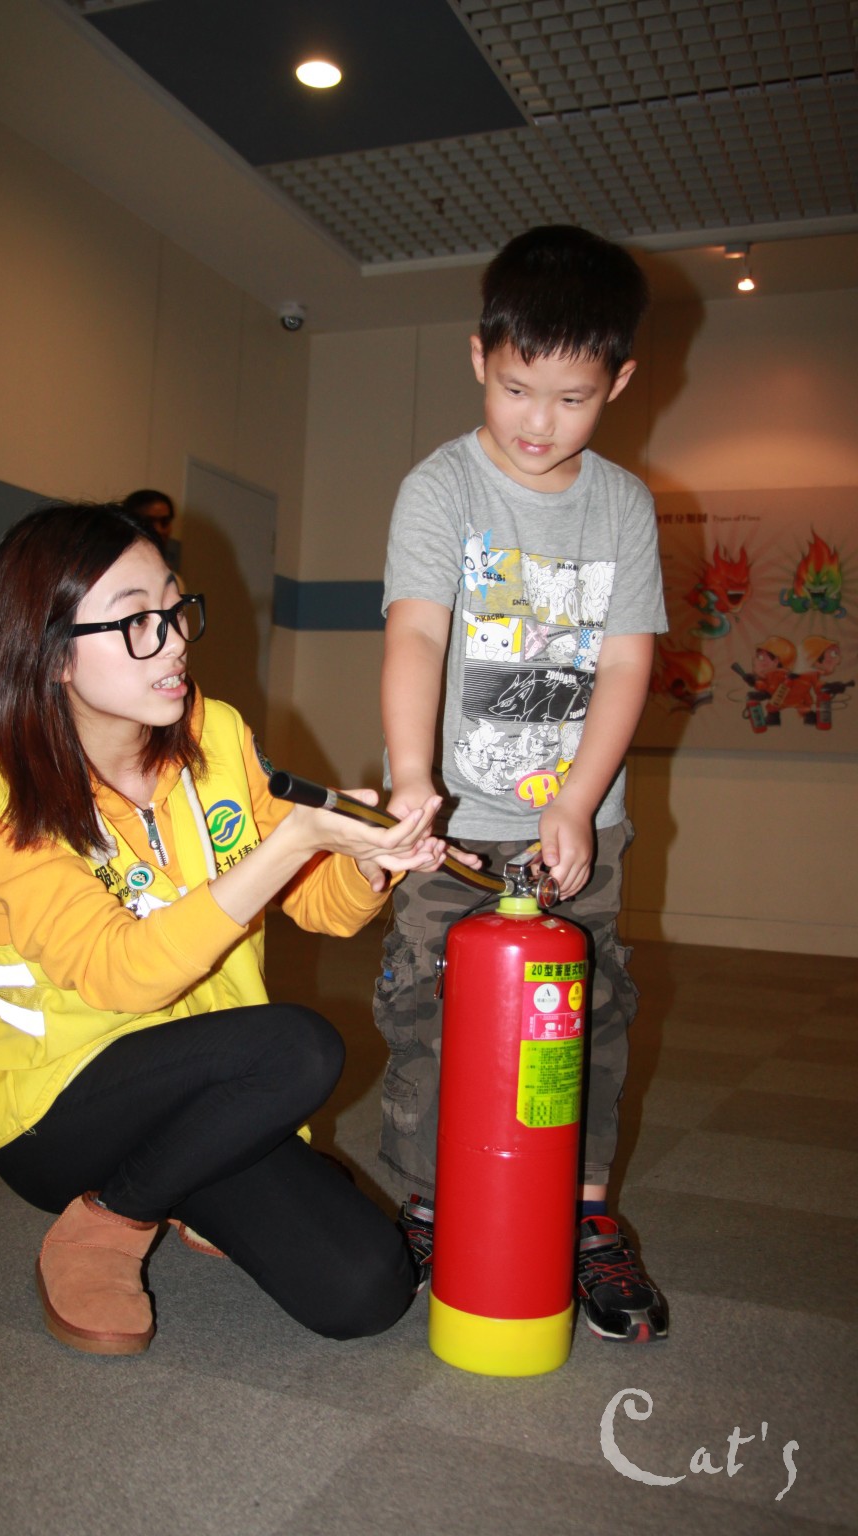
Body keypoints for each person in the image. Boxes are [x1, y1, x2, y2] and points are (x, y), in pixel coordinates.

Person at [0, 501, 450, 1356]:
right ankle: (109, 1220)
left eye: (174, 609)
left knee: (368, 1289)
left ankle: (184, 1179)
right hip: (59, 1109)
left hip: (216, 1089)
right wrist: (291, 843)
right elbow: (122, 974)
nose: (172, 642)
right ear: (51, 652)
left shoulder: (214, 733)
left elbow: (318, 904)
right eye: (136, 621)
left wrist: (367, 859)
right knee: (298, 1048)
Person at [375, 225, 670, 1343]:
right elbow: (415, 635)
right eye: (515, 389)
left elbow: (627, 664)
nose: (539, 422)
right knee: (428, 1011)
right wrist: (413, 778)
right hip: (454, 833)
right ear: (478, 357)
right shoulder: (441, 488)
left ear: (618, 383)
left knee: (580, 1020)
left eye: (573, 398)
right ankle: (429, 1203)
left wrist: (577, 801)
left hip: (572, 829)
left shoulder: (623, 506)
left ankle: (584, 1213)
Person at [123, 487, 177, 556]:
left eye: (165, 522)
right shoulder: (117, 557)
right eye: (148, 523)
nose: (158, 530)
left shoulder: (174, 553)